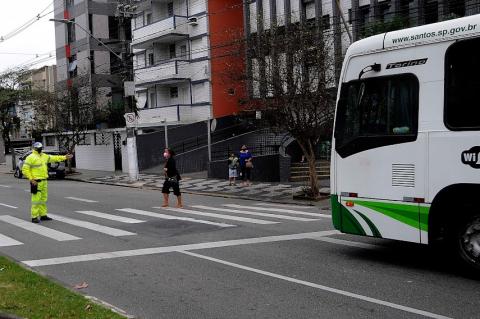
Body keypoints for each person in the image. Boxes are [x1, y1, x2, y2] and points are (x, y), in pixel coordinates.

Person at [21, 142, 73, 223]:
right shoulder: (30, 157)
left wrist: (65, 157)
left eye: (41, 148)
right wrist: (31, 179)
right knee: (36, 200)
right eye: (38, 148)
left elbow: (54, 158)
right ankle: (34, 217)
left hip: (44, 181)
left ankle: (43, 215)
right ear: (35, 148)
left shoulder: (44, 156)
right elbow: (25, 170)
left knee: (43, 199)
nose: (40, 149)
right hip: (36, 182)